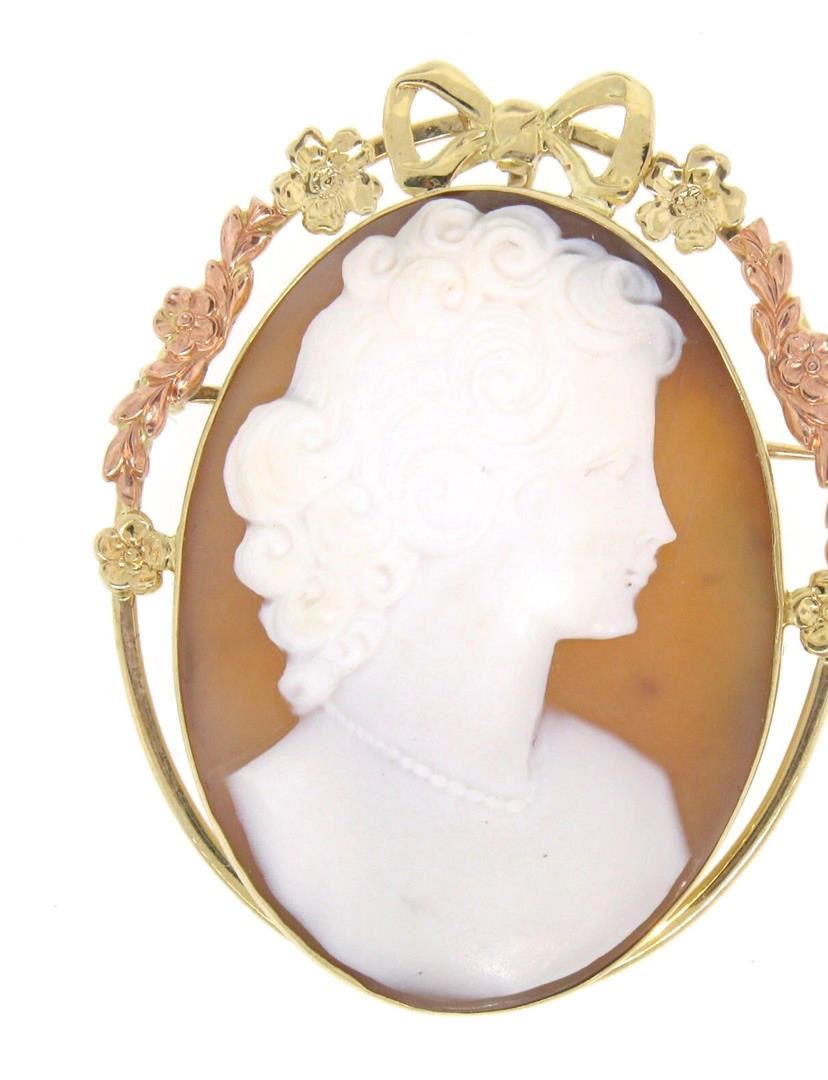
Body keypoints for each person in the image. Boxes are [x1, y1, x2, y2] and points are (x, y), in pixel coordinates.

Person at [223, 197, 689, 1002]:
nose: (660, 524)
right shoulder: (282, 814)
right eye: (608, 472)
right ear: (450, 487)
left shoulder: (634, 802)